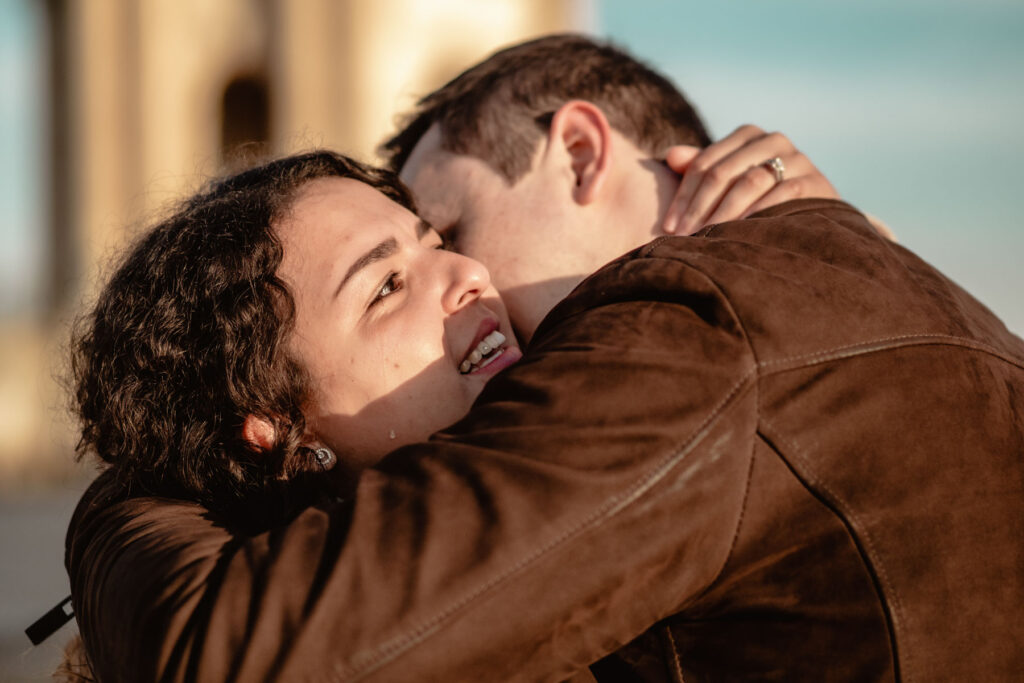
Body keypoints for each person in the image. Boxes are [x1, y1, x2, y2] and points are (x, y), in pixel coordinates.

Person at [62, 35, 1024, 683]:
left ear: (576, 153)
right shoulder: (860, 289)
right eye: (390, 280)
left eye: (445, 228)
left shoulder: (684, 334)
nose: (468, 271)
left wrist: (149, 474)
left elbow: (226, 653)